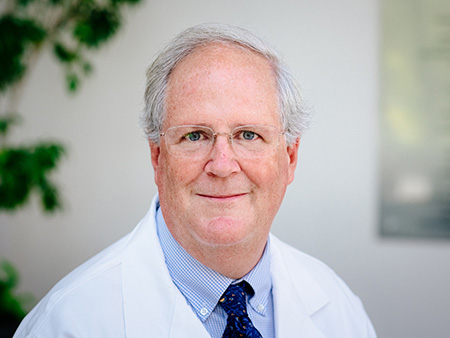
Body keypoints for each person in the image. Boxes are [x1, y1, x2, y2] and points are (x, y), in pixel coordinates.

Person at [14, 23, 376, 337]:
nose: (222, 165)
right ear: (157, 157)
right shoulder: (66, 324)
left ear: (290, 157)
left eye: (249, 135)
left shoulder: (340, 310)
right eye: (195, 136)